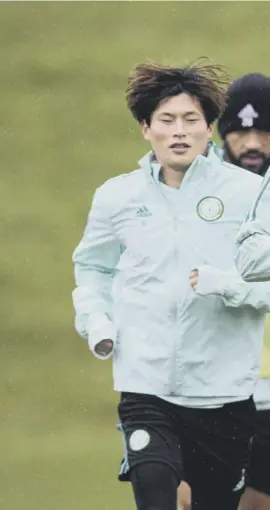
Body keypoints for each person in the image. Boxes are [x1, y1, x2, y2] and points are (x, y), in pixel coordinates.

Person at [72, 61, 270, 510]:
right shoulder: (117, 197)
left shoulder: (250, 194)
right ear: (146, 128)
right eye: (166, 120)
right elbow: (93, 268)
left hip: (225, 392)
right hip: (148, 385)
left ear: (207, 129)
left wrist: (227, 285)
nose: (179, 132)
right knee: (156, 493)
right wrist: (97, 321)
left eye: (190, 120)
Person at [218, 73, 270, 510]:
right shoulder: (201, 188)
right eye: (240, 131)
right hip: (207, 381)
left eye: (265, 131)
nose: (252, 142)